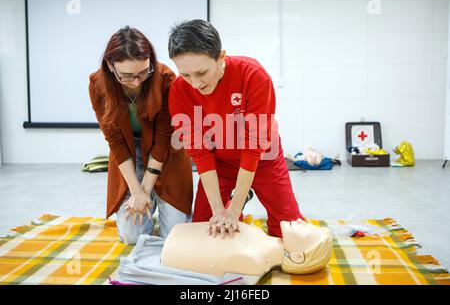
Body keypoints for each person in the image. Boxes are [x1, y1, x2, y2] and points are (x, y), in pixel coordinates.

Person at [168, 19, 305, 239]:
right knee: (208, 230)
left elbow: (253, 149)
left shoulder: (253, 76)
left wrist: (233, 209)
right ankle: (238, 195)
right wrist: (220, 211)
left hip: (263, 159)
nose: (195, 83)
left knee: (290, 233)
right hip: (219, 163)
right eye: (185, 75)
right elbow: (200, 153)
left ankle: (243, 196)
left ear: (221, 57)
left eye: (202, 73)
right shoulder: (178, 91)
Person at [88, 26, 193, 245]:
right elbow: (115, 142)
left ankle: (158, 198)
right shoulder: (98, 85)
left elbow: (164, 139)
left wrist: (144, 191)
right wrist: (136, 192)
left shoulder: (165, 79)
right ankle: (150, 201)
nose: (137, 82)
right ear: (110, 66)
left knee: (174, 237)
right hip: (128, 150)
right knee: (131, 237)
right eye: (127, 76)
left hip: (167, 152)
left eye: (143, 73)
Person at [160, 219, 333, 276]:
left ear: (297, 257)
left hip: (173, 249)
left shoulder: (254, 261)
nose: (302, 221)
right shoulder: (260, 236)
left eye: (307, 231)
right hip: (180, 236)